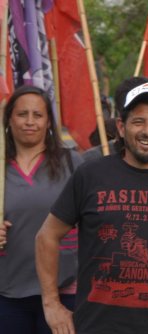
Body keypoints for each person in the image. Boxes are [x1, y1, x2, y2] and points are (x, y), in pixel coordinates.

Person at [35, 80, 148, 334]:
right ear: (121, 127)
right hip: (95, 327)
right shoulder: (90, 175)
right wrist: (51, 304)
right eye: (138, 121)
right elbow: (47, 237)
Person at [0, 86, 83, 334]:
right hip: (8, 291)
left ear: (49, 121)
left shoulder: (72, 162)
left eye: (37, 115)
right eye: (22, 114)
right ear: (9, 119)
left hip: (65, 290)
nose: (29, 122)